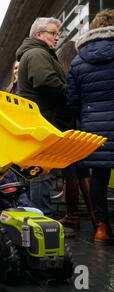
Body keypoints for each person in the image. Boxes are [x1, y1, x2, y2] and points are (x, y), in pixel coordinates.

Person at [66, 9, 114, 243]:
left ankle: (101, 228)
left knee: (99, 178)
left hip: (93, 126)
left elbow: (72, 101)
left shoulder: (78, 60)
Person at [16, 17, 66, 217]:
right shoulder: (37, 53)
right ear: (38, 35)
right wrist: (71, 92)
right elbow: (46, 82)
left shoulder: (38, 52)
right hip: (42, 122)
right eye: (53, 33)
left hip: (41, 121)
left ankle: (35, 215)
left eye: (57, 34)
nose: (57, 37)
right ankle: (41, 217)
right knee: (41, 172)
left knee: (37, 171)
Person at [56, 40, 95, 235]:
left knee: (70, 170)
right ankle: (95, 218)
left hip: (69, 126)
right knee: (83, 172)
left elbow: (68, 100)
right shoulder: (84, 66)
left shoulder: (65, 72)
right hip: (84, 123)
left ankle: (72, 217)